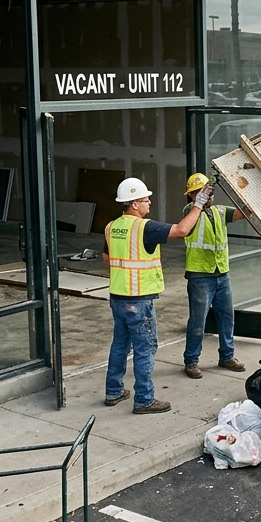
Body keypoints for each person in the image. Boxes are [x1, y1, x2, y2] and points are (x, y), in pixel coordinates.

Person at [102, 177, 208, 414]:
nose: (149, 202)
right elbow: (182, 230)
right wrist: (198, 205)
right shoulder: (145, 227)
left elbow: (107, 259)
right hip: (139, 299)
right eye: (145, 199)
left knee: (120, 344)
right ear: (134, 204)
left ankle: (113, 391)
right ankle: (144, 399)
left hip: (118, 297)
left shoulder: (111, 227)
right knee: (145, 349)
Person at [181, 172, 250, 379]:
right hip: (200, 274)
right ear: (192, 195)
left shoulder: (220, 211)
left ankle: (227, 356)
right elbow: (191, 215)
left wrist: (249, 195)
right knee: (198, 320)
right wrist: (200, 199)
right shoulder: (190, 211)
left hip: (221, 273)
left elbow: (243, 213)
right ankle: (191, 361)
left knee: (227, 317)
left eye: (208, 192)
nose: (207, 196)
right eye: (200, 192)